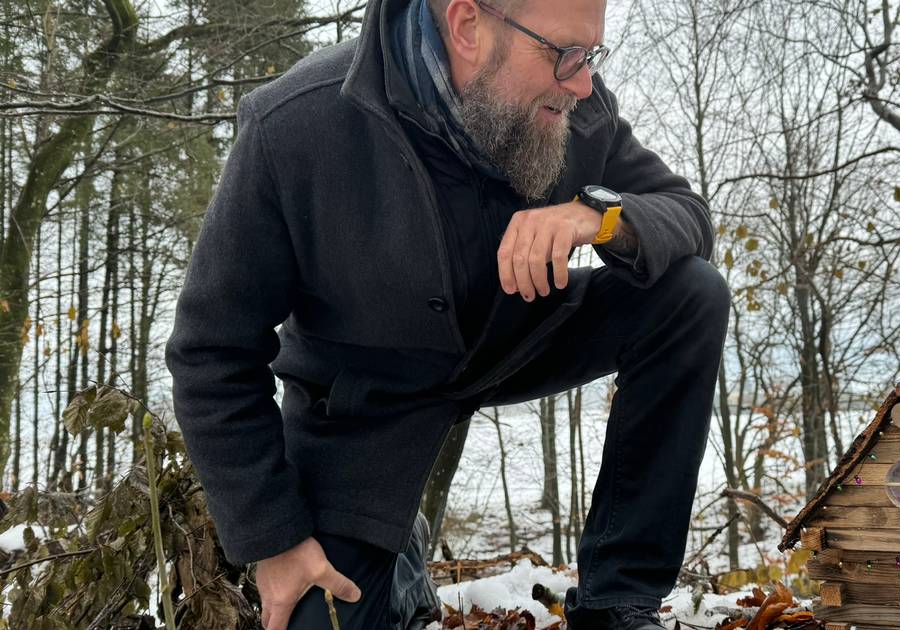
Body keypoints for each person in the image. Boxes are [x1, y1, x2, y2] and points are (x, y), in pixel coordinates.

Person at [164, 0, 731, 627]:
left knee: (691, 294)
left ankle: (619, 603)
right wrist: (273, 541)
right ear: (467, 25)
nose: (583, 83)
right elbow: (209, 350)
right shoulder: (295, 123)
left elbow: (687, 214)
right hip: (366, 404)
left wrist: (597, 217)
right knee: (320, 616)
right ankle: (395, 561)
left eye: (591, 54)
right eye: (565, 54)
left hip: (519, 333)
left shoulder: (582, 111)